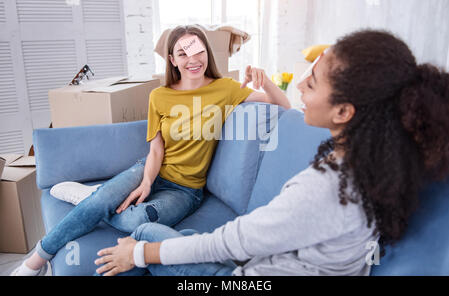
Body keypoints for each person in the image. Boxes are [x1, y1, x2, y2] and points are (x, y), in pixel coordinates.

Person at [94, 29, 449, 276]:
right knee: (178, 239)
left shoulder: (323, 190)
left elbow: (232, 241)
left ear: (344, 112)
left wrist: (139, 254)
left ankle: (132, 243)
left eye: (311, 81)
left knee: (145, 238)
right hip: (279, 258)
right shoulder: (378, 160)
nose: (299, 83)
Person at [11, 25, 291, 276]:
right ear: (172, 60)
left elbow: (284, 107)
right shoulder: (159, 96)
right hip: (148, 169)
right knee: (101, 202)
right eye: (182, 53)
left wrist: (264, 80)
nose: (192, 60)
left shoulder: (225, 89)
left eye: (197, 51)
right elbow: (156, 148)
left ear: (207, 53)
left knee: (136, 218)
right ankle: (37, 259)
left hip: (186, 190)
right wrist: (146, 181)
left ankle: (94, 199)